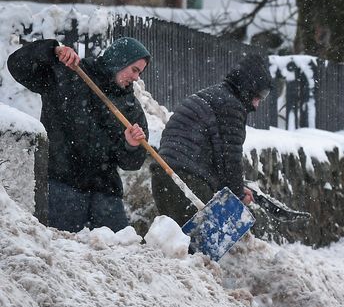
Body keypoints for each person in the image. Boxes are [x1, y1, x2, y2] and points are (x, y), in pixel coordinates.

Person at [6, 37, 150, 232]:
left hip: (105, 195)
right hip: (62, 185)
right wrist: (52, 50)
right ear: (119, 60)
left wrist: (130, 145)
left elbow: (132, 163)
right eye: (134, 70)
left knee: (123, 252)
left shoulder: (131, 108)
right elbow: (17, 65)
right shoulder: (69, 73)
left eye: (139, 73)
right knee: (64, 250)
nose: (136, 78)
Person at [151, 53, 271, 226]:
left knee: (177, 245)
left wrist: (235, 187)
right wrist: (237, 194)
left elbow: (215, 155)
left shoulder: (212, 95)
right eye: (258, 96)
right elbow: (230, 158)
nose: (257, 105)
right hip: (187, 182)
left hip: (163, 177)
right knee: (200, 248)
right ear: (248, 88)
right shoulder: (231, 105)